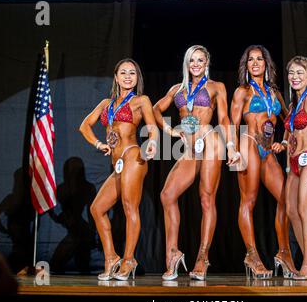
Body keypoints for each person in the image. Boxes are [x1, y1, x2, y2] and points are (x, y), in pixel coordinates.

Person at [153, 45, 240, 281]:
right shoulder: (177, 89)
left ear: (207, 63)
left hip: (210, 140)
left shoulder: (216, 87)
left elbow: (223, 118)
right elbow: (155, 110)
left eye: (200, 60)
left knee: (206, 198)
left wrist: (231, 146)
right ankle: (173, 253)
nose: (196, 64)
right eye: (192, 60)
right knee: (167, 195)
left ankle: (202, 257)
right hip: (189, 148)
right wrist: (170, 131)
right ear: (187, 63)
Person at [79, 58, 158, 281]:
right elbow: (84, 126)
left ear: (137, 78)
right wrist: (98, 144)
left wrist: (151, 143)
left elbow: (153, 129)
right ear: (116, 77)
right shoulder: (107, 104)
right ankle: (111, 257)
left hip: (133, 156)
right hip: (117, 165)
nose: (127, 77)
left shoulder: (141, 101)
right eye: (123, 73)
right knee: (97, 209)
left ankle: (129, 259)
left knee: (129, 207)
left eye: (132, 73)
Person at [230, 45, 296, 279]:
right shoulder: (242, 92)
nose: (255, 63)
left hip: (268, 149)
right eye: (251, 59)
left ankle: (284, 252)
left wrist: (285, 143)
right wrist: (232, 149)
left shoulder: (274, 92)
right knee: (248, 200)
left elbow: (290, 121)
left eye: (260, 59)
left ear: (266, 64)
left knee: (287, 200)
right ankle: (252, 254)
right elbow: (233, 124)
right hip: (248, 143)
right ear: (246, 65)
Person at [272, 55, 307, 280]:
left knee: (304, 210)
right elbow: (290, 132)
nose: (294, 77)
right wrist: (282, 144)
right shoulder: (293, 105)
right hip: (293, 162)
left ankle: (306, 262)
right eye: (291, 73)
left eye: (299, 73)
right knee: (292, 211)